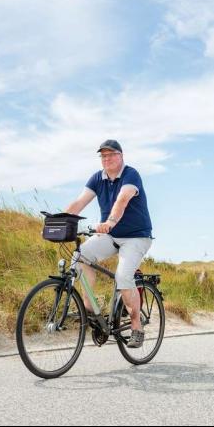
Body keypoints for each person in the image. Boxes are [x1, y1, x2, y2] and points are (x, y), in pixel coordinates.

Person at [66, 140, 153, 348]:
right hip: (111, 236)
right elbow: (79, 202)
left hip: (136, 236)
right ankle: (89, 309)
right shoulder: (98, 178)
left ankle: (136, 327)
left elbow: (122, 200)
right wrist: (61, 220)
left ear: (121, 156)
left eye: (111, 155)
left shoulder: (131, 175)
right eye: (103, 156)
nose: (107, 159)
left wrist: (110, 222)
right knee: (81, 256)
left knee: (123, 277)